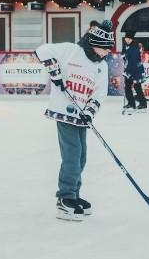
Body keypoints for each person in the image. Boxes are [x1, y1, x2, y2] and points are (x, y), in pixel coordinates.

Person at [36, 19, 115, 222]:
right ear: (93, 43)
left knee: (81, 157)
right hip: (64, 111)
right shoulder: (71, 50)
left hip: (81, 115)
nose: (107, 52)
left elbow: (99, 93)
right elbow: (42, 50)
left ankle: (74, 194)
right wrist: (55, 73)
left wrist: (89, 111)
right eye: (104, 48)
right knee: (72, 155)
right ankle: (65, 198)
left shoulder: (102, 66)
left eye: (109, 49)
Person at [120, 31, 147, 112]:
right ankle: (132, 103)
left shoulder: (134, 47)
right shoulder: (126, 46)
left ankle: (141, 103)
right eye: (126, 38)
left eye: (129, 38)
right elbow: (125, 57)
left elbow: (133, 61)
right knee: (129, 87)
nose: (127, 40)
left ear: (132, 39)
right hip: (130, 69)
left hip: (135, 70)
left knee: (136, 87)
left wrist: (129, 72)